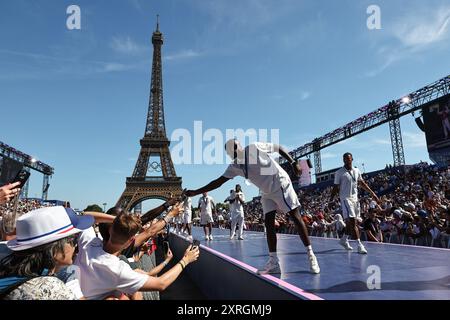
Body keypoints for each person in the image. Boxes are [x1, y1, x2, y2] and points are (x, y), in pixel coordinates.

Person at [186, 139, 320, 274]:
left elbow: (277, 148)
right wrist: (196, 192)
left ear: (240, 146)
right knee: (269, 223)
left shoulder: (254, 148)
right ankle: (274, 262)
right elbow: (218, 182)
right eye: (230, 150)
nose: (234, 150)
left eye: (235, 146)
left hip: (280, 184)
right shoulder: (235, 166)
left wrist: (293, 163)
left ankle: (311, 255)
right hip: (266, 192)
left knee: (295, 218)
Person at [74, 203, 200, 300]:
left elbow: (82, 216)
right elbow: (161, 283)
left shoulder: (89, 244)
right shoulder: (119, 270)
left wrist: (119, 221)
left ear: (111, 230)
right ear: (130, 241)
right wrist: (186, 260)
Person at [0, 206, 94, 300]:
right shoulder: (51, 288)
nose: (76, 246)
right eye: (73, 240)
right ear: (54, 249)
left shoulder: (8, 266)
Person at [331, 152, 380, 254]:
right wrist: (331, 200)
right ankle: (359, 245)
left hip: (355, 199)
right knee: (353, 221)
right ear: (343, 160)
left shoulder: (357, 170)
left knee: (351, 223)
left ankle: (344, 239)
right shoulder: (339, 172)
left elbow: (362, 183)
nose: (347, 160)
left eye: (348, 159)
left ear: (352, 159)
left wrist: (373, 194)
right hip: (345, 199)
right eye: (345, 159)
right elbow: (335, 188)